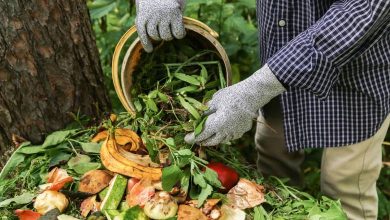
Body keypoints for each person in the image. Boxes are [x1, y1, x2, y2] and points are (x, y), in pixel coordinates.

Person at [135, 0, 390, 219]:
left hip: (357, 72)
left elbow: (365, 9)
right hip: (279, 61)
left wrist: (256, 89)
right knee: (273, 168)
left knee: (345, 186)